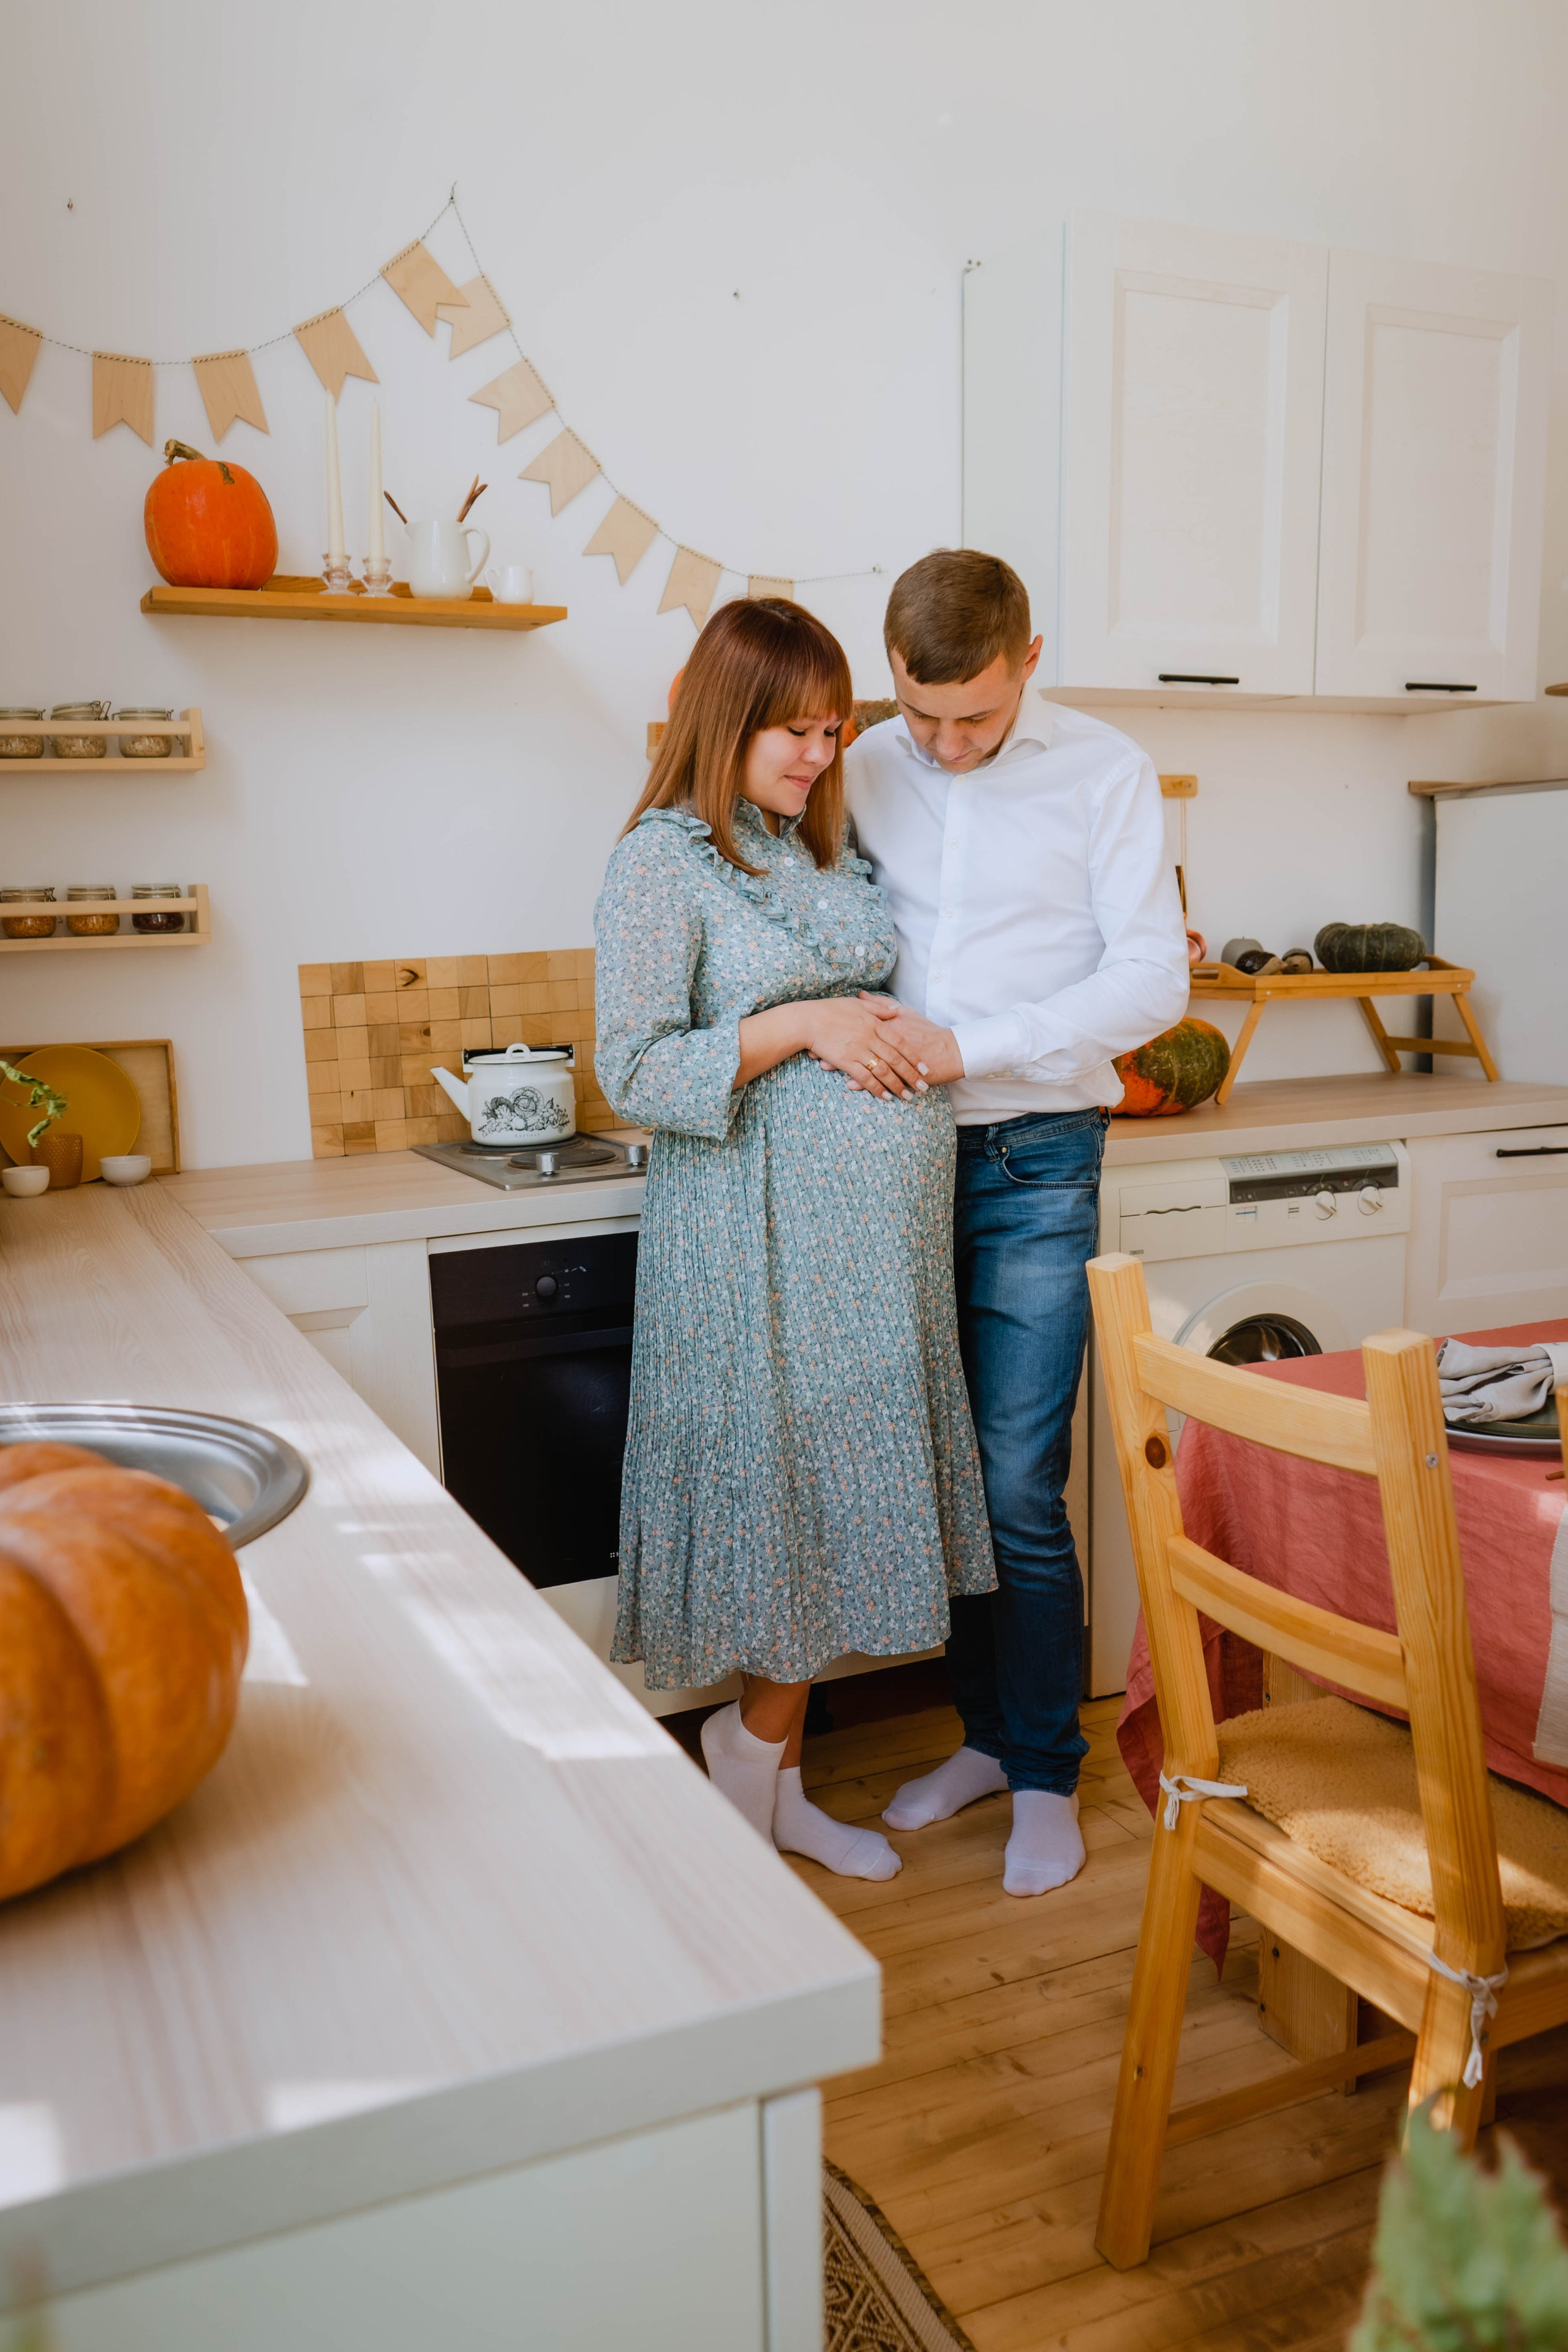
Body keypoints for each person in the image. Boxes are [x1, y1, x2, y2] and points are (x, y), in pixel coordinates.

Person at [594, 595, 995, 1883]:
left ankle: (765, 1777)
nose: (820, 757)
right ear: (725, 718)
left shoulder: (815, 852)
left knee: (822, 1522)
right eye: (793, 733)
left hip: (871, 1266)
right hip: (752, 1246)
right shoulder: (661, 861)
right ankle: (753, 1781)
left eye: (832, 732)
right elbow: (633, 1071)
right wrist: (805, 1027)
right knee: (786, 1515)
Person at [843, 550, 1189, 1896]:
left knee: (1013, 1488)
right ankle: (984, 1742)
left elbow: (1151, 975)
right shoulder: (867, 765)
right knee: (942, 1486)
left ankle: (1047, 1768)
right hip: (893, 1157)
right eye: (919, 714)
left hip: (1038, 1155)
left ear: (1029, 659)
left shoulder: (1105, 770)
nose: (943, 744)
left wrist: (973, 1046)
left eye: (974, 717)